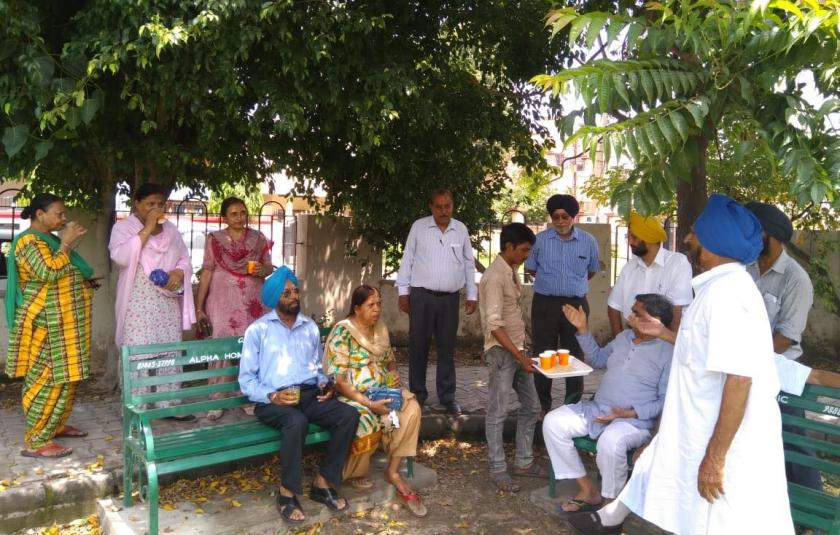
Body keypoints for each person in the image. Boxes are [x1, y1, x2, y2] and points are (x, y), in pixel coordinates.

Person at [568, 194, 793, 535]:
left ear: (715, 242)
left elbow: (739, 379)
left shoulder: (729, 296)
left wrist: (716, 459)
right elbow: (704, 350)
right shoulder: (717, 289)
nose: (687, 238)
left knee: (726, 522)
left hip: (724, 442)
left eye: (695, 233)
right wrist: (664, 332)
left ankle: (611, 518)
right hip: (699, 428)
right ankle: (612, 517)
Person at [240, 267, 359, 524]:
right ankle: (286, 493)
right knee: (296, 422)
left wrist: (326, 385)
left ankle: (323, 482)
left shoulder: (309, 327)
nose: (294, 296)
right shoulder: (258, 330)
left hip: (306, 395)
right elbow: (246, 381)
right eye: (286, 293)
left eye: (295, 290)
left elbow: (316, 368)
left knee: (348, 415)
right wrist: (272, 396)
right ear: (275, 299)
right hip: (271, 400)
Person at [545, 294, 673, 515]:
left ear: (655, 320)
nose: (629, 316)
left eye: (636, 313)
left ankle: (610, 504)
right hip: (598, 410)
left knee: (611, 441)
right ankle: (587, 490)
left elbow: (665, 401)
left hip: (635, 421)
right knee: (552, 422)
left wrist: (629, 413)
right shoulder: (623, 337)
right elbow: (597, 359)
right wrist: (583, 329)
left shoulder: (669, 351)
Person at [4, 194, 96, 458]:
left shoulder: (50, 240)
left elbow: (64, 272)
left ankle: (54, 425)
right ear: (39, 214)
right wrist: (66, 244)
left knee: (66, 378)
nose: (63, 218)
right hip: (46, 324)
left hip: (65, 325)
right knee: (45, 380)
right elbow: (48, 272)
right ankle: (37, 439)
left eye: (64, 214)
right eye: (58, 214)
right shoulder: (28, 242)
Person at [323, 285, 427, 517]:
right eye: (371, 305)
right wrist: (369, 403)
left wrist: (393, 376)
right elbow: (339, 381)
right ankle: (354, 473)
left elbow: (389, 361)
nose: (377, 309)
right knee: (365, 419)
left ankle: (392, 471)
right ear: (357, 308)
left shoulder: (380, 329)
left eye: (379, 303)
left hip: (382, 391)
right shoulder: (344, 332)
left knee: (412, 408)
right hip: (353, 395)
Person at [746, 202, 821, 504]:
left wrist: (748, 360)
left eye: (755, 232)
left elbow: (787, 338)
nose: (748, 238)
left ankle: (812, 512)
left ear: (770, 235)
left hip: (779, 372)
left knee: (795, 443)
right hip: (743, 371)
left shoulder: (796, 278)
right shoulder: (746, 268)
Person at [109, 183, 196, 418]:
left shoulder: (171, 229)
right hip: (137, 300)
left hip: (166, 300)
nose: (156, 208)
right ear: (137, 204)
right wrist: (147, 227)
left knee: (168, 350)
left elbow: (184, 259)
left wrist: (178, 273)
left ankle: (169, 404)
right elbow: (121, 257)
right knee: (138, 351)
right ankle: (136, 407)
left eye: (160, 204)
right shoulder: (123, 228)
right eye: (150, 204)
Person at [395, 189, 477, 416]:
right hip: (421, 297)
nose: (443, 211)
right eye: (439, 207)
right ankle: (417, 396)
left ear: (453, 205)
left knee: (446, 349)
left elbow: (469, 263)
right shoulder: (419, 228)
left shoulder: (460, 229)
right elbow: (407, 259)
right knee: (418, 346)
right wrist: (403, 293)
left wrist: (472, 295)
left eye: (447, 206)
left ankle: (447, 396)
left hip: (449, 300)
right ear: (431, 207)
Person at [479, 222, 545, 493]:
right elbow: (494, 325)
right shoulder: (495, 276)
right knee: (497, 411)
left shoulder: (510, 271)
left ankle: (523, 462)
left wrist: (522, 352)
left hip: (517, 351)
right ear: (509, 247)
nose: (528, 255)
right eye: (524, 250)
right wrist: (520, 356)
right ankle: (497, 468)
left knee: (532, 407)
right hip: (502, 353)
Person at [194, 197, 273, 421]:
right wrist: (199, 307)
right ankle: (218, 400)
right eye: (234, 214)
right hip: (222, 304)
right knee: (222, 347)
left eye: (243, 212)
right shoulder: (216, 240)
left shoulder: (258, 238)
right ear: (225, 218)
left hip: (253, 304)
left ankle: (247, 397)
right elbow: (207, 271)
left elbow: (268, 267)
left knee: (251, 348)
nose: (240, 217)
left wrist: (262, 270)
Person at [525, 194, 600, 414]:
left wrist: (573, 285)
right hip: (545, 304)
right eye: (555, 217)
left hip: (576, 305)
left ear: (573, 216)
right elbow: (531, 268)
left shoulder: (588, 242)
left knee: (575, 355)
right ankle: (543, 406)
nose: (560, 222)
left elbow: (593, 270)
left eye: (565, 217)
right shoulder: (540, 240)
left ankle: (573, 405)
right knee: (543, 353)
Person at [607, 212, 692, 336]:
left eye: (634, 237)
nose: (630, 241)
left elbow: (676, 311)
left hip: (664, 339)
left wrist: (668, 346)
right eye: (629, 236)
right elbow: (613, 306)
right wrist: (619, 341)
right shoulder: (629, 267)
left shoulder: (677, 263)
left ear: (649, 239)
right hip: (632, 339)